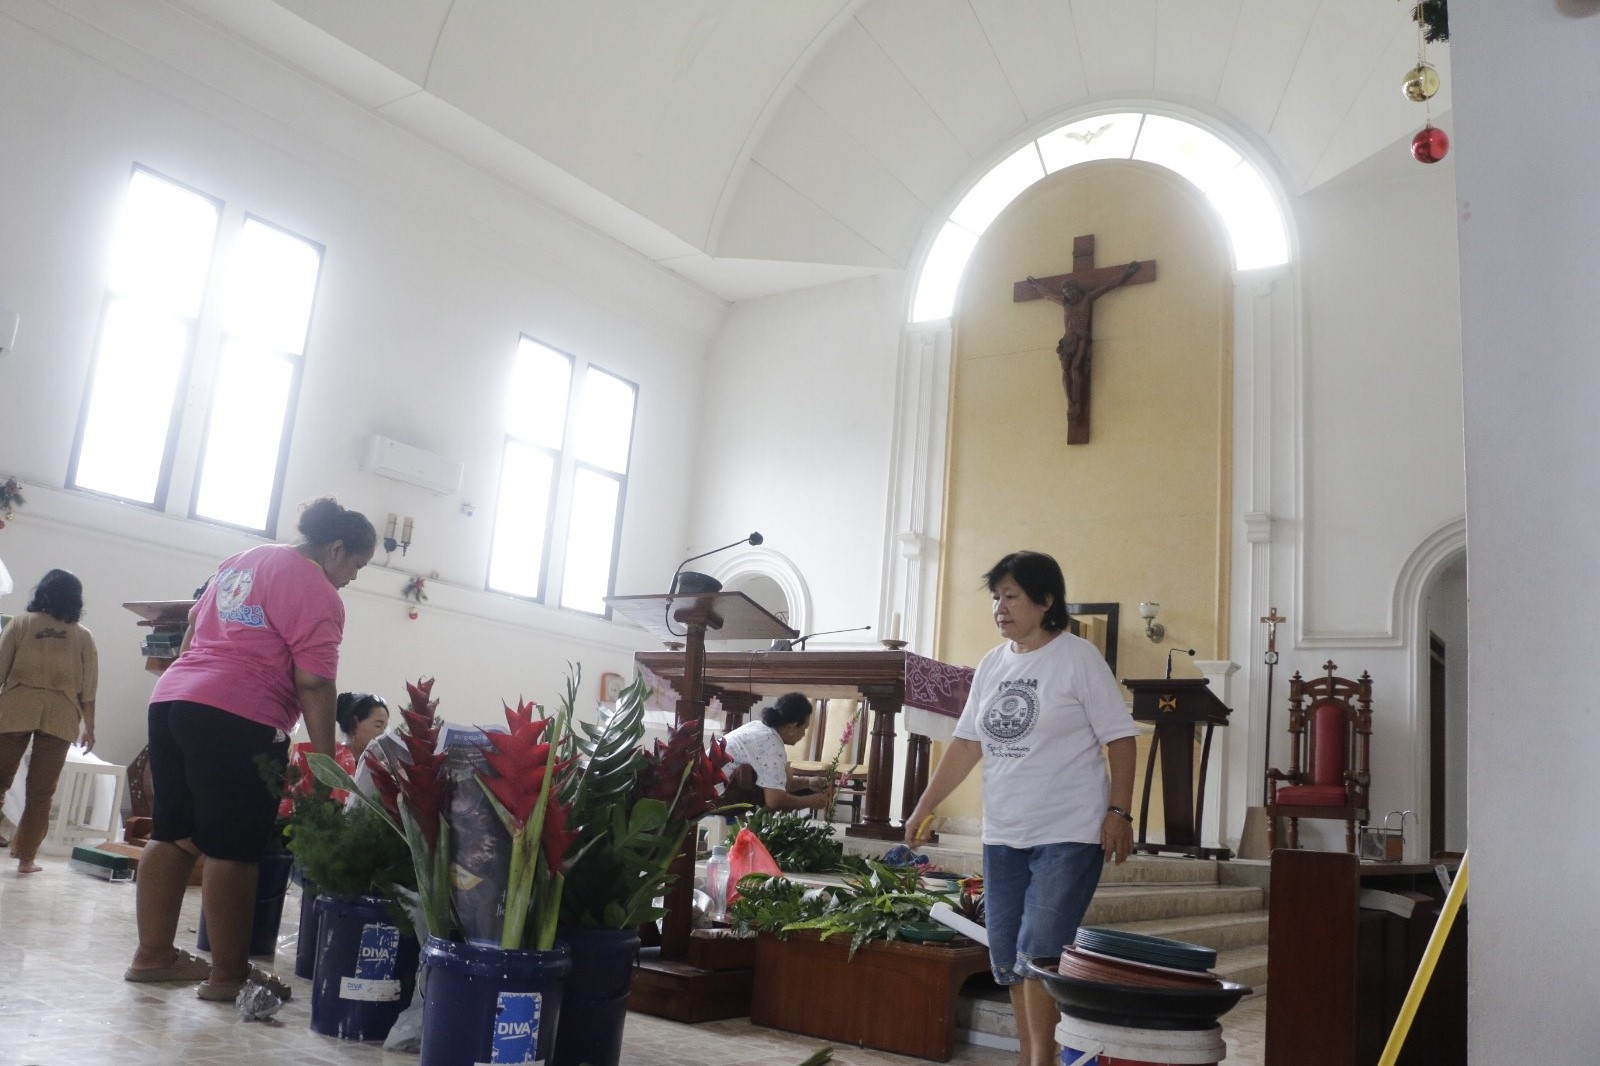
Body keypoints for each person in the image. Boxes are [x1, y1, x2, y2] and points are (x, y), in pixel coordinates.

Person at [123, 496, 375, 1002]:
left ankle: (153, 956)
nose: (351, 578)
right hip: (236, 714)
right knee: (233, 849)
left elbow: (193, 632)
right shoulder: (317, 589)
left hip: (173, 699)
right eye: (356, 566)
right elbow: (315, 683)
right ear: (337, 547)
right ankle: (228, 976)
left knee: (172, 833)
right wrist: (325, 764)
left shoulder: (244, 560)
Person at [904, 550, 1138, 1066]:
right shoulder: (993, 663)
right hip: (1004, 832)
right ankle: (1034, 1056)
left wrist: (1118, 813)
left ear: (1046, 599)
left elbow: (1121, 739)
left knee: (1040, 946)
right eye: (996, 597)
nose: (1000, 607)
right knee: (1008, 954)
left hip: (1069, 830)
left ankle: (1039, 1061)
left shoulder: (1078, 658)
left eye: (1011, 596)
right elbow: (966, 744)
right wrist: (924, 805)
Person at [0, 569, 98, 874]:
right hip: (61, 714)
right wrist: (90, 728)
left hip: (15, 707)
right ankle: (26, 859)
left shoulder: (20, 624)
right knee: (41, 792)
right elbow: (89, 688)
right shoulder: (83, 636)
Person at [720, 691, 835, 813]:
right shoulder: (772, 745)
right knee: (786, 773)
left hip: (705, 789)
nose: (803, 734)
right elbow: (775, 801)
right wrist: (810, 801)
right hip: (717, 798)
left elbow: (775, 781)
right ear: (792, 726)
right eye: (804, 728)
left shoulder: (757, 726)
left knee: (785, 775)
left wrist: (807, 782)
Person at [336, 692, 389, 760]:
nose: (383, 733)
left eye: (384, 728)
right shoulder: (334, 760)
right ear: (355, 724)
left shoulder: (379, 765)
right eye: (378, 726)